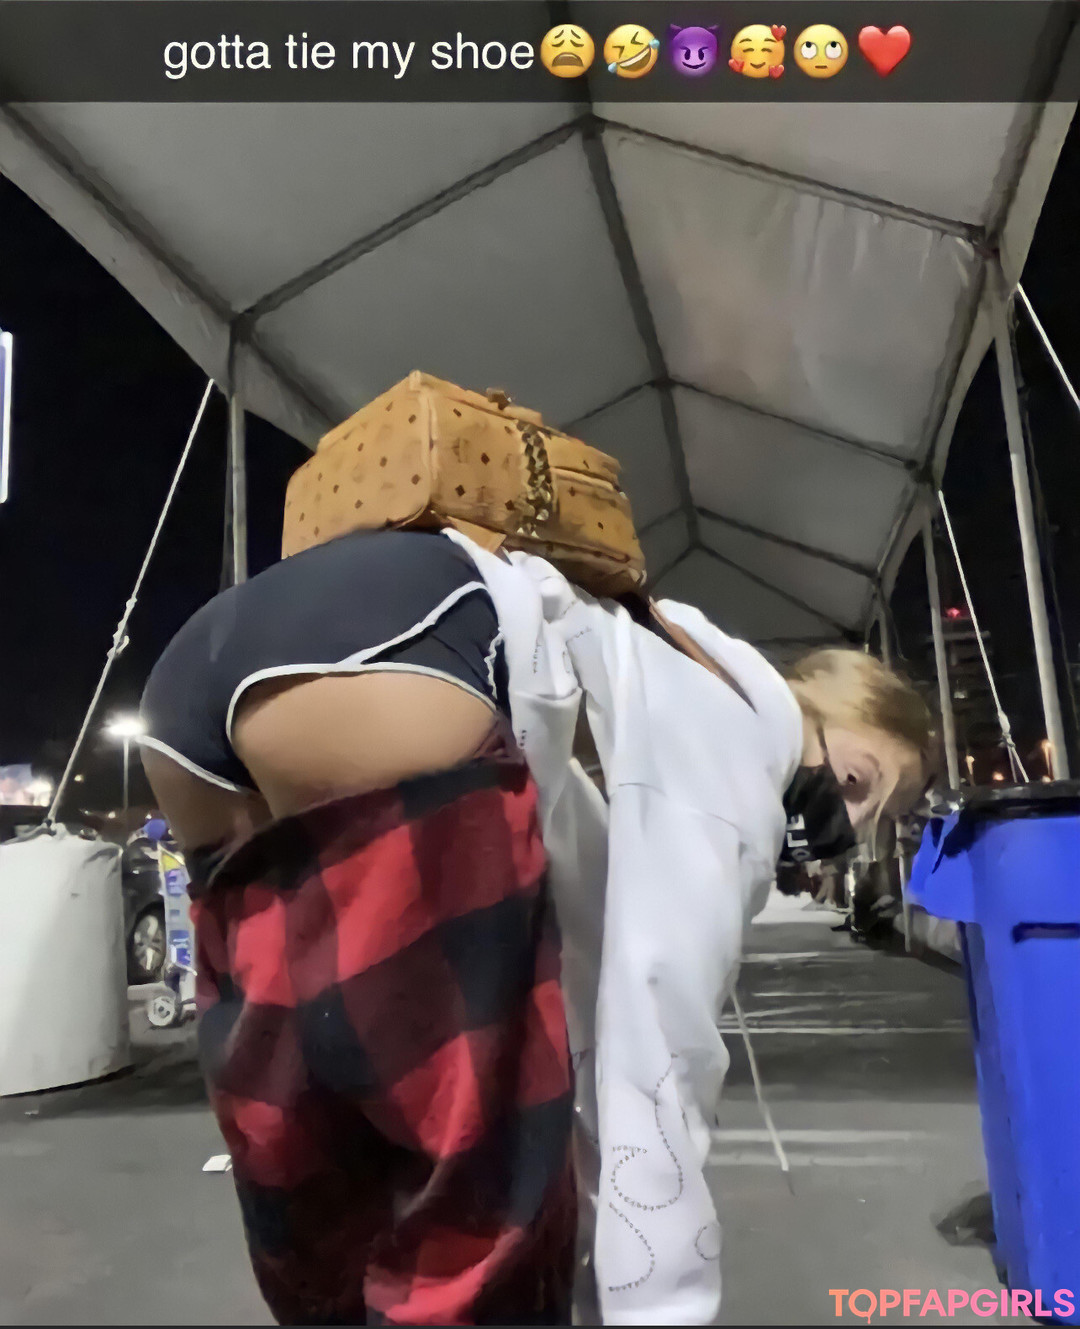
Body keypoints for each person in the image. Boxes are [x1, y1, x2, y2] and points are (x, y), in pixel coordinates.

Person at [140, 531, 934, 1327]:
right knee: (480, 1197)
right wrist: (659, 1299)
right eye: (858, 782)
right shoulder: (747, 735)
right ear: (813, 704)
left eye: (877, 819)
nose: (852, 823)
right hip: (406, 652)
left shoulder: (676, 659)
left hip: (198, 685)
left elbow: (585, 911)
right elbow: (662, 1039)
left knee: (311, 1144)